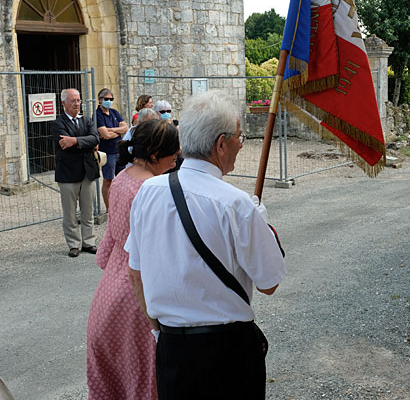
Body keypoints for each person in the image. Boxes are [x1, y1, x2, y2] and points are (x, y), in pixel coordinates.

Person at [125, 91, 286, 399]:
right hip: (228, 351)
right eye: (240, 137)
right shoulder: (237, 204)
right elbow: (270, 283)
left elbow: (136, 273)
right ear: (221, 144)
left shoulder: (147, 191)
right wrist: (263, 224)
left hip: (172, 348)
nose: (241, 144)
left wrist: (158, 330)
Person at [87, 119, 180, 400]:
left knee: (116, 376)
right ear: (154, 153)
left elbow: (110, 241)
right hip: (138, 296)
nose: (177, 156)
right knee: (144, 376)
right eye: (172, 151)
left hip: (109, 293)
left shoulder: (121, 179)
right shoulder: (153, 189)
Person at [52, 88, 100, 258]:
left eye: (78, 100)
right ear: (63, 103)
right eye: (73, 101)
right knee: (70, 213)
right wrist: (84, 142)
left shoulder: (87, 120)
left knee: (88, 211)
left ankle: (89, 241)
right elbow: (63, 144)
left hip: (87, 172)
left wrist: (75, 141)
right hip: (68, 174)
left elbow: (96, 138)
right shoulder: (58, 123)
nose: (77, 104)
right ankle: (73, 244)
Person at [95, 88, 128, 211]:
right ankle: (109, 209)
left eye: (111, 99)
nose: (109, 101)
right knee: (108, 180)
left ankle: (120, 205)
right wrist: (117, 131)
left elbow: (126, 128)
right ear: (100, 100)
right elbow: (105, 135)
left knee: (120, 180)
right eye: (106, 99)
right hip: (107, 153)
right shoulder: (97, 115)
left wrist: (111, 129)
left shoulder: (114, 112)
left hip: (119, 152)